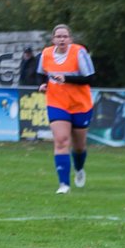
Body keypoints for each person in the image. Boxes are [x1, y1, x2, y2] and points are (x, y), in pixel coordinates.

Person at [37, 24, 96, 194]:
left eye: (65, 36)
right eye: (58, 36)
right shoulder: (46, 53)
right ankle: (64, 184)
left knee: (79, 146)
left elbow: (90, 78)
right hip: (57, 103)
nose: (62, 39)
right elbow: (40, 73)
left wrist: (67, 79)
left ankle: (79, 169)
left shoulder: (79, 52)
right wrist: (41, 84)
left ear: (70, 39)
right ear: (53, 39)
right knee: (61, 141)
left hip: (80, 105)